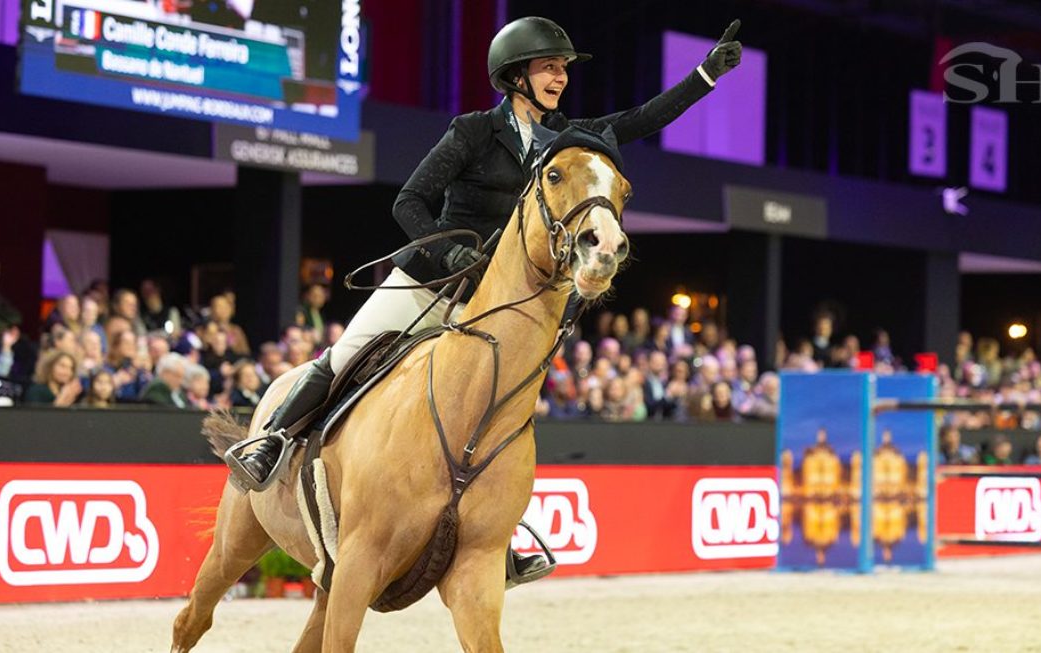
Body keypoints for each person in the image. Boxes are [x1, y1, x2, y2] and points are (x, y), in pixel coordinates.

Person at [230, 15, 744, 583]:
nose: (560, 77)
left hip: (495, 303)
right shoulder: (473, 132)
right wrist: (446, 253)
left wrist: (704, 76)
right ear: (516, 75)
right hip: (431, 281)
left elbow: (639, 119)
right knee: (347, 352)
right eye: (549, 67)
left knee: (503, 414)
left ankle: (498, 535)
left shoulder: (565, 141)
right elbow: (409, 202)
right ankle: (271, 442)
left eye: (563, 69)